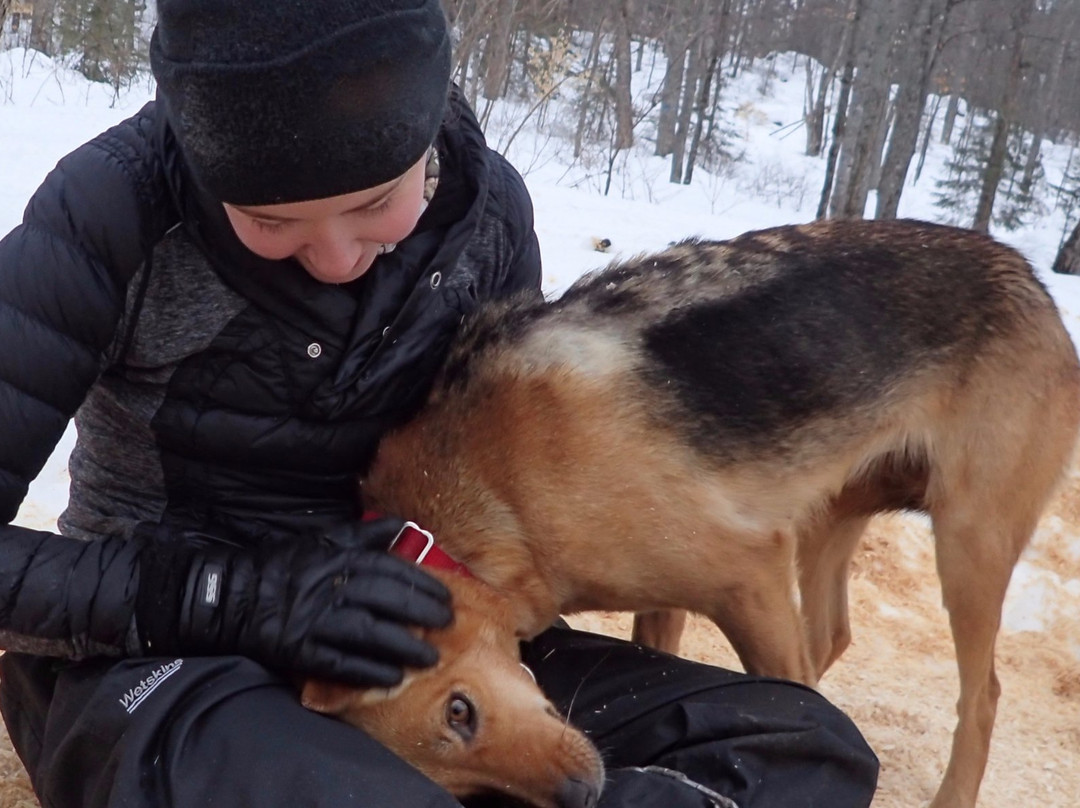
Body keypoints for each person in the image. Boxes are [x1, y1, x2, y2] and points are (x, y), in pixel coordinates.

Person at [0, 1, 879, 806]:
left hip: (422, 646)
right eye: (271, 222)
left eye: (376, 204)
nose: (336, 257)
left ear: (426, 139)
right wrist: (232, 596)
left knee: (801, 748)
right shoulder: (107, 211)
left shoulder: (487, 218)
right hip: (164, 654)